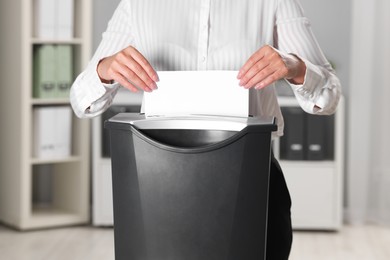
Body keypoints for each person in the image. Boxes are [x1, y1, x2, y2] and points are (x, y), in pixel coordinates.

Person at [70, 0, 341, 259]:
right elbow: (82, 101)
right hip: (157, 184)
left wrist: (294, 66)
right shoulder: (137, 3)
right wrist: (105, 69)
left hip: (252, 178)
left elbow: (328, 96)